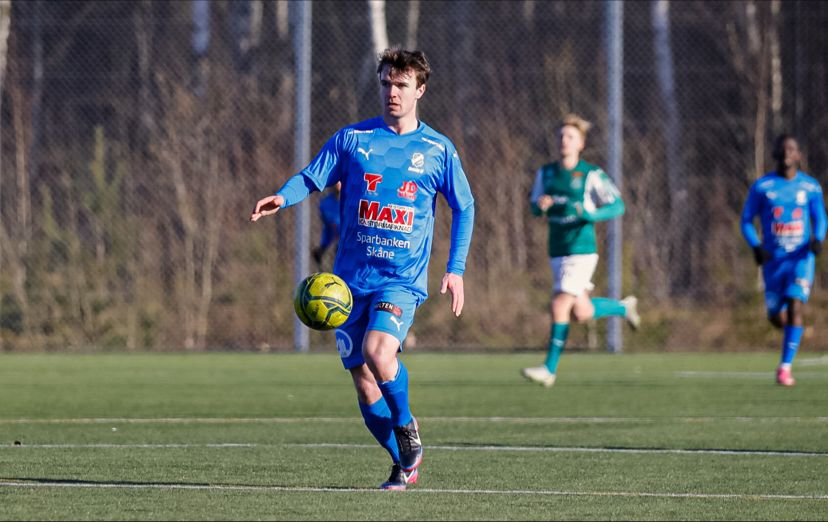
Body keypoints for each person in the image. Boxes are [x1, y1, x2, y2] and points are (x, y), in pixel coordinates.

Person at [250, 48, 474, 490]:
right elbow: (311, 177)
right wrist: (283, 196)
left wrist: (456, 267)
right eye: (387, 83)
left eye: (402, 85)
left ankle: (408, 429)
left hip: (401, 280)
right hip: (349, 284)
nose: (392, 92)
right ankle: (403, 462)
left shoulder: (437, 150)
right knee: (365, 385)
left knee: (378, 352)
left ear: (420, 91)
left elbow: (464, 206)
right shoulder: (352, 139)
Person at [521, 114, 639, 388]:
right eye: (561, 136)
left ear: (581, 144)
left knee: (559, 304)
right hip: (557, 249)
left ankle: (549, 369)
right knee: (580, 312)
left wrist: (590, 213)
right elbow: (534, 207)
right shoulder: (546, 173)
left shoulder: (590, 174)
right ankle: (623, 308)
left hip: (581, 249)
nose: (564, 140)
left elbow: (618, 205)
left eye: (570, 137)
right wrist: (542, 206)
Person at [740, 134, 826, 386]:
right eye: (783, 148)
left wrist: (818, 238)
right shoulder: (762, 187)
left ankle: (784, 368)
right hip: (773, 261)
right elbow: (746, 220)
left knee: (795, 305)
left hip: (800, 258)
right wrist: (756, 246)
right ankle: (794, 334)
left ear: (799, 155)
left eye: (793, 148)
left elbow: (820, 217)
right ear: (776, 153)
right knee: (776, 316)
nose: (788, 152)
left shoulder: (810, 187)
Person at [312, 182, 341, 270]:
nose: (337, 183)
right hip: (340, 247)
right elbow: (329, 229)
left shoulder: (355, 202)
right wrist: (323, 247)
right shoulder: (326, 204)